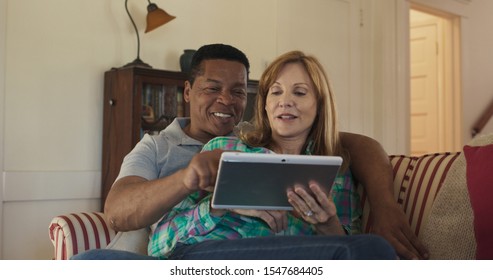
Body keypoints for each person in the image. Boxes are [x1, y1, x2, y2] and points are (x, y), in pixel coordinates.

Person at [74, 43, 426, 259]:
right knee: (88, 264)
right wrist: (216, 205)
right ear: (187, 91)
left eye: (300, 93)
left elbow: (355, 146)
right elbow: (150, 236)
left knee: (372, 251)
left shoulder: (335, 169)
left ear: (319, 105)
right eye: (276, 92)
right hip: (204, 259)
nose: (286, 101)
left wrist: (329, 223)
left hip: (288, 263)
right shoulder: (220, 148)